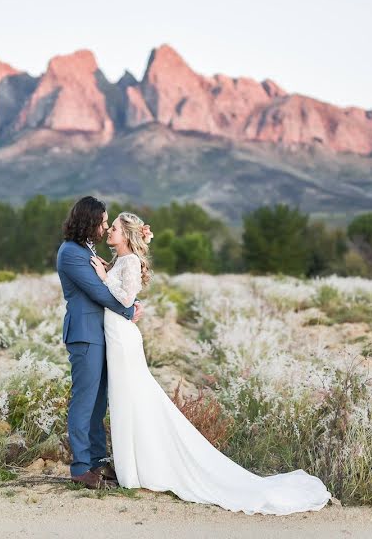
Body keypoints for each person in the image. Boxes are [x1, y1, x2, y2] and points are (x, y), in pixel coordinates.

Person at [88, 210, 332, 515]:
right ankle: (133, 466)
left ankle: (138, 470)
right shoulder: (121, 262)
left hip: (123, 339)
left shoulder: (131, 262)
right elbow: (123, 295)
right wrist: (107, 274)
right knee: (127, 401)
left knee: (131, 398)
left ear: (126, 235)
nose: (109, 232)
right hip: (115, 335)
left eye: (113, 228)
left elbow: (124, 300)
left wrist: (101, 278)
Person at [55, 196, 144, 490]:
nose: (106, 227)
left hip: (103, 335)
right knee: (84, 401)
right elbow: (98, 291)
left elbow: (114, 286)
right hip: (85, 335)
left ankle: (96, 460)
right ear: (90, 221)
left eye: (109, 223)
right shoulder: (70, 253)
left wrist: (131, 299)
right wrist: (129, 310)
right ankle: (81, 467)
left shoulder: (84, 249)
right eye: (103, 221)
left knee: (98, 402)